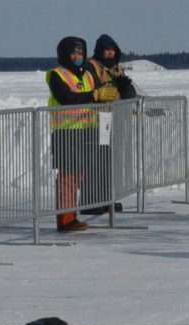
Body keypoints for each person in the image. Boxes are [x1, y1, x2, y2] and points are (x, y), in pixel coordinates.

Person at [46, 36, 119, 232]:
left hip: (86, 130)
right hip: (66, 132)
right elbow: (65, 98)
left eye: (80, 54)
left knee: (78, 175)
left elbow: (99, 91)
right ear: (64, 54)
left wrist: (106, 97)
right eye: (74, 53)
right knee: (67, 177)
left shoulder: (86, 74)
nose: (77, 57)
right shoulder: (57, 74)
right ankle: (65, 219)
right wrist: (94, 96)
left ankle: (72, 215)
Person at [80, 33, 137, 215]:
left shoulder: (116, 68)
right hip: (94, 120)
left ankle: (106, 198)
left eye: (113, 50)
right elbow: (99, 91)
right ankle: (90, 201)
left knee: (108, 161)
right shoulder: (92, 67)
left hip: (111, 120)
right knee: (94, 161)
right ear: (100, 51)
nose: (110, 53)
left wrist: (125, 87)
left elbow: (126, 92)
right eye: (107, 50)